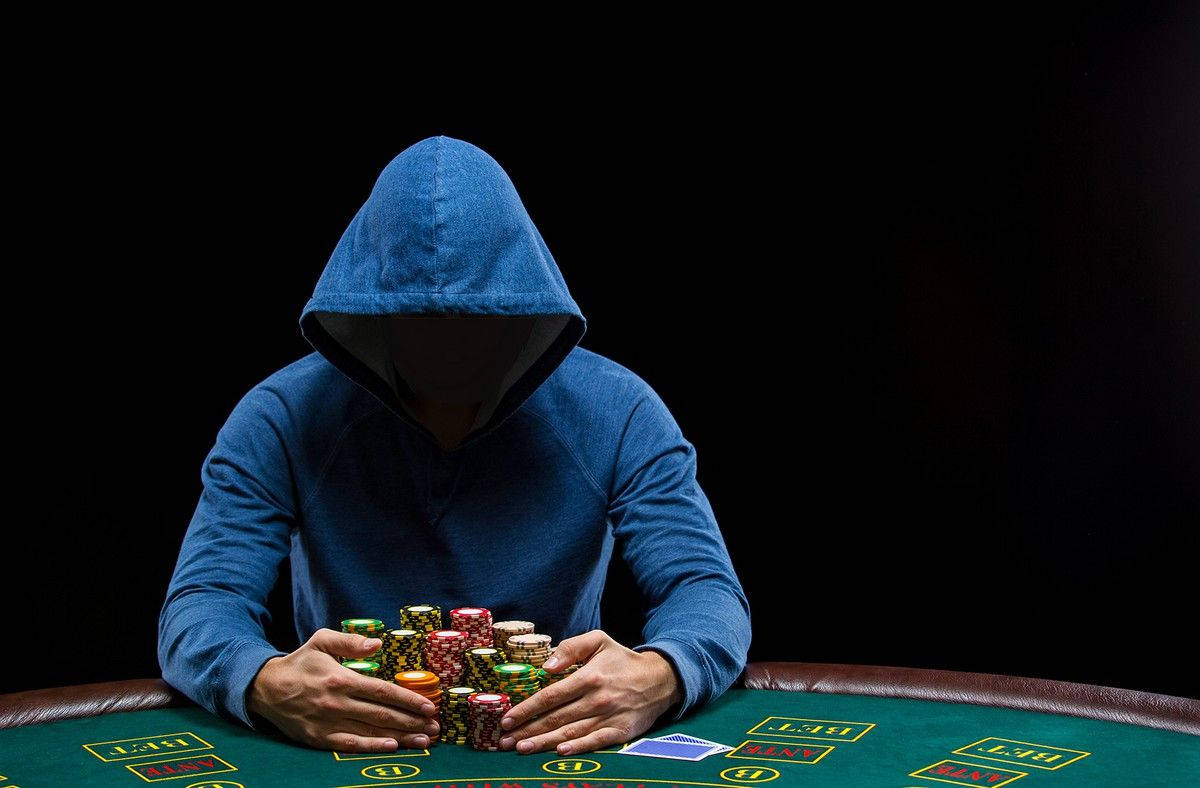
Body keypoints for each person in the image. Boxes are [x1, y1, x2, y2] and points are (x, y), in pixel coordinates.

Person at [157, 134, 752, 757]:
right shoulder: (278, 417)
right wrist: (259, 678)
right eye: (420, 317)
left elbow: (704, 590)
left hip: (551, 747)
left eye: (476, 315)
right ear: (371, 307)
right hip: (349, 750)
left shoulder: (622, 411)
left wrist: (662, 672)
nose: (448, 345)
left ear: (524, 305)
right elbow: (203, 603)